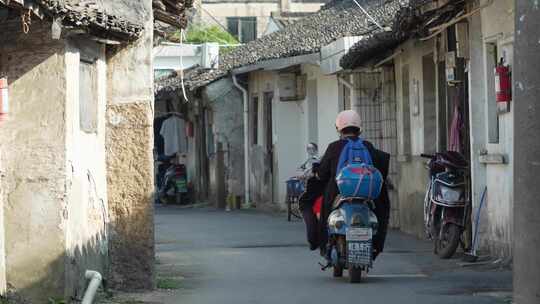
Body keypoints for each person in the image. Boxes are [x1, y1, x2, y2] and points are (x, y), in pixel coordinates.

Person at [299, 110, 391, 260]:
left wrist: (317, 173)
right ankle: (377, 245)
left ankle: (318, 241)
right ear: (359, 128)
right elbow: (379, 169)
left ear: (339, 128)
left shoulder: (334, 147)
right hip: (367, 193)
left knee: (317, 209)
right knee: (383, 208)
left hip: (338, 191)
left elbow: (322, 174)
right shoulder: (368, 146)